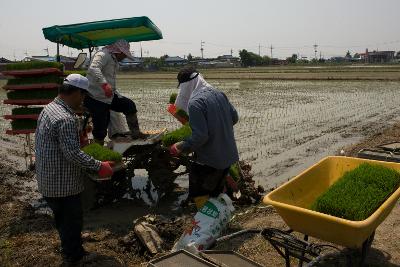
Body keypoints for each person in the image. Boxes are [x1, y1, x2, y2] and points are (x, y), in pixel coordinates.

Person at [35, 74, 114, 266]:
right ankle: (75, 255)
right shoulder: (65, 118)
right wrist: (99, 166)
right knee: (72, 217)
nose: (83, 100)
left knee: (63, 217)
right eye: (83, 95)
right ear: (76, 92)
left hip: (48, 178)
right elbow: (72, 154)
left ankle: (71, 239)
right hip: (63, 182)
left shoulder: (49, 108)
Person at [170, 67, 239, 209]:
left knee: (199, 193)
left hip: (210, 160)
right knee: (216, 192)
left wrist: (180, 146)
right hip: (228, 156)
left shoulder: (195, 103)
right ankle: (219, 218)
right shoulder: (220, 94)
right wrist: (218, 128)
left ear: (185, 86)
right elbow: (234, 118)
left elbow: (200, 136)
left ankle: (204, 220)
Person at [85, 39, 147, 144]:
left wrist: (111, 90)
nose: (124, 57)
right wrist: (104, 85)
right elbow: (93, 68)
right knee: (100, 129)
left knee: (129, 105)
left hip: (109, 96)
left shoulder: (113, 59)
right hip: (95, 97)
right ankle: (98, 149)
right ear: (119, 51)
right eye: (124, 55)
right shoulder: (102, 54)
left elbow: (110, 78)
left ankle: (136, 133)